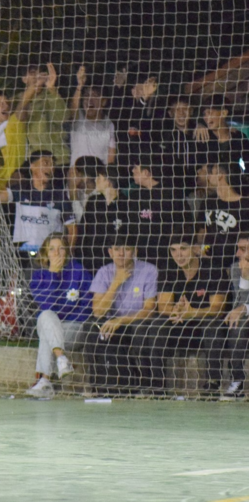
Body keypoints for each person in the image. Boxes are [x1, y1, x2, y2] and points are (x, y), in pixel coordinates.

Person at [132, 228, 228, 397]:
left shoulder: (213, 270)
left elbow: (218, 309)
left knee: (213, 325)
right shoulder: (169, 270)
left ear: (195, 248)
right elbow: (163, 307)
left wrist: (192, 312)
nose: (178, 255)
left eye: (183, 248)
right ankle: (156, 385)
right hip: (179, 325)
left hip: (202, 326)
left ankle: (213, 384)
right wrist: (175, 310)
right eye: (174, 250)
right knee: (156, 325)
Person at [82, 235, 157, 395]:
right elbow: (98, 311)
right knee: (90, 327)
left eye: (126, 249)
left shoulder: (149, 271)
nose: (121, 254)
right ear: (110, 252)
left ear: (135, 251)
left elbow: (149, 310)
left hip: (136, 322)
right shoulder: (104, 272)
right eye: (117, 249)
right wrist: (116, 282)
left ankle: (143, 386)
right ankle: (98, 385)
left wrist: (121, 320)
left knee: (140, 331)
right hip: (112, 323)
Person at [25, 233, 93, 398]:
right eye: (52, 249)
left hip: (74, 327)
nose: (56, 253)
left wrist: (63, 322)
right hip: (52, 326)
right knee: (46, 317)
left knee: (47, 331)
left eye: (61, 248)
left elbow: (88, 306)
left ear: (67, 252)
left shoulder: (79, 271)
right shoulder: (40, 276)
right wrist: (53, 275)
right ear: (45, 253)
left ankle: (45, 380)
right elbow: (46, 305)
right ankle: (61, 360)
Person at [0, 150, 77, 255]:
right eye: (46, 163)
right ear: (32, 166)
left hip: (49, 255)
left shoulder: (59, 195)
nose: (51, 167)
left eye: (53, 164)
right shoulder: (21, 190)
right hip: (22, 254)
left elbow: (72, 229)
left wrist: (66, 255)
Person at [127, 155, 191, 269]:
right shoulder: (135, 197)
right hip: (142, 259)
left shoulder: (171, 195)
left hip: (167, 259)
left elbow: (185, 223)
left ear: (146, 173)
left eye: (136, 168)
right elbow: (131, 228)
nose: (133, 170)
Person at [76, 164, 134, 273]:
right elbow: (83, 232)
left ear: (108, 182)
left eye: (99, 177)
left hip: (114, 264)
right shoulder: (93, 202)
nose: (96, 180)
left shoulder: (127, 205)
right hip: (90, 261)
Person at [200, 160, 249, 272]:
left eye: (211, 173)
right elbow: (204, 231)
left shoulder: (245, 205)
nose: (209, 176)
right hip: (209, 263)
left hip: (235, 265)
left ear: (220, 175)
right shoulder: (208, 202)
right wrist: (203, 250)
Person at [19, 63, 71, 166]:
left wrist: (51, 88)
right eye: (33, 73)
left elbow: (63, 118)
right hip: (35, 162)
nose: (37, 76)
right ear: (24, 79)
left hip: (59, 159)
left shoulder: (51, 95)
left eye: (40, 73)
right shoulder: (17, 100)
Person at [68, 66, 116, 166]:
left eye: (95, 96)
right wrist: (80, 86)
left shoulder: (109, 124)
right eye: (86, 95)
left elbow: (111, 157)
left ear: (104, 101)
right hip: (77, 173)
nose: (89, 100)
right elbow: (72, 109)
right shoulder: (78, 117)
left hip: (98, 173)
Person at [221, 233, 249, 399]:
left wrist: (244, 308)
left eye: (243, 249)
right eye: (238, 249)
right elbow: (238, 302)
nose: (238, 254)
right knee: (237, 323)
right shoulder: (236, 268)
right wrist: (245, 277)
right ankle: (237, 380)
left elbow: (242, 306)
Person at [0, 90, 28, 189]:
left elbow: (23, 104)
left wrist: (32, 87)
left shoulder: (13, 124)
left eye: (7, 103)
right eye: (0, 104)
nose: (6, 106)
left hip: (13, 184)